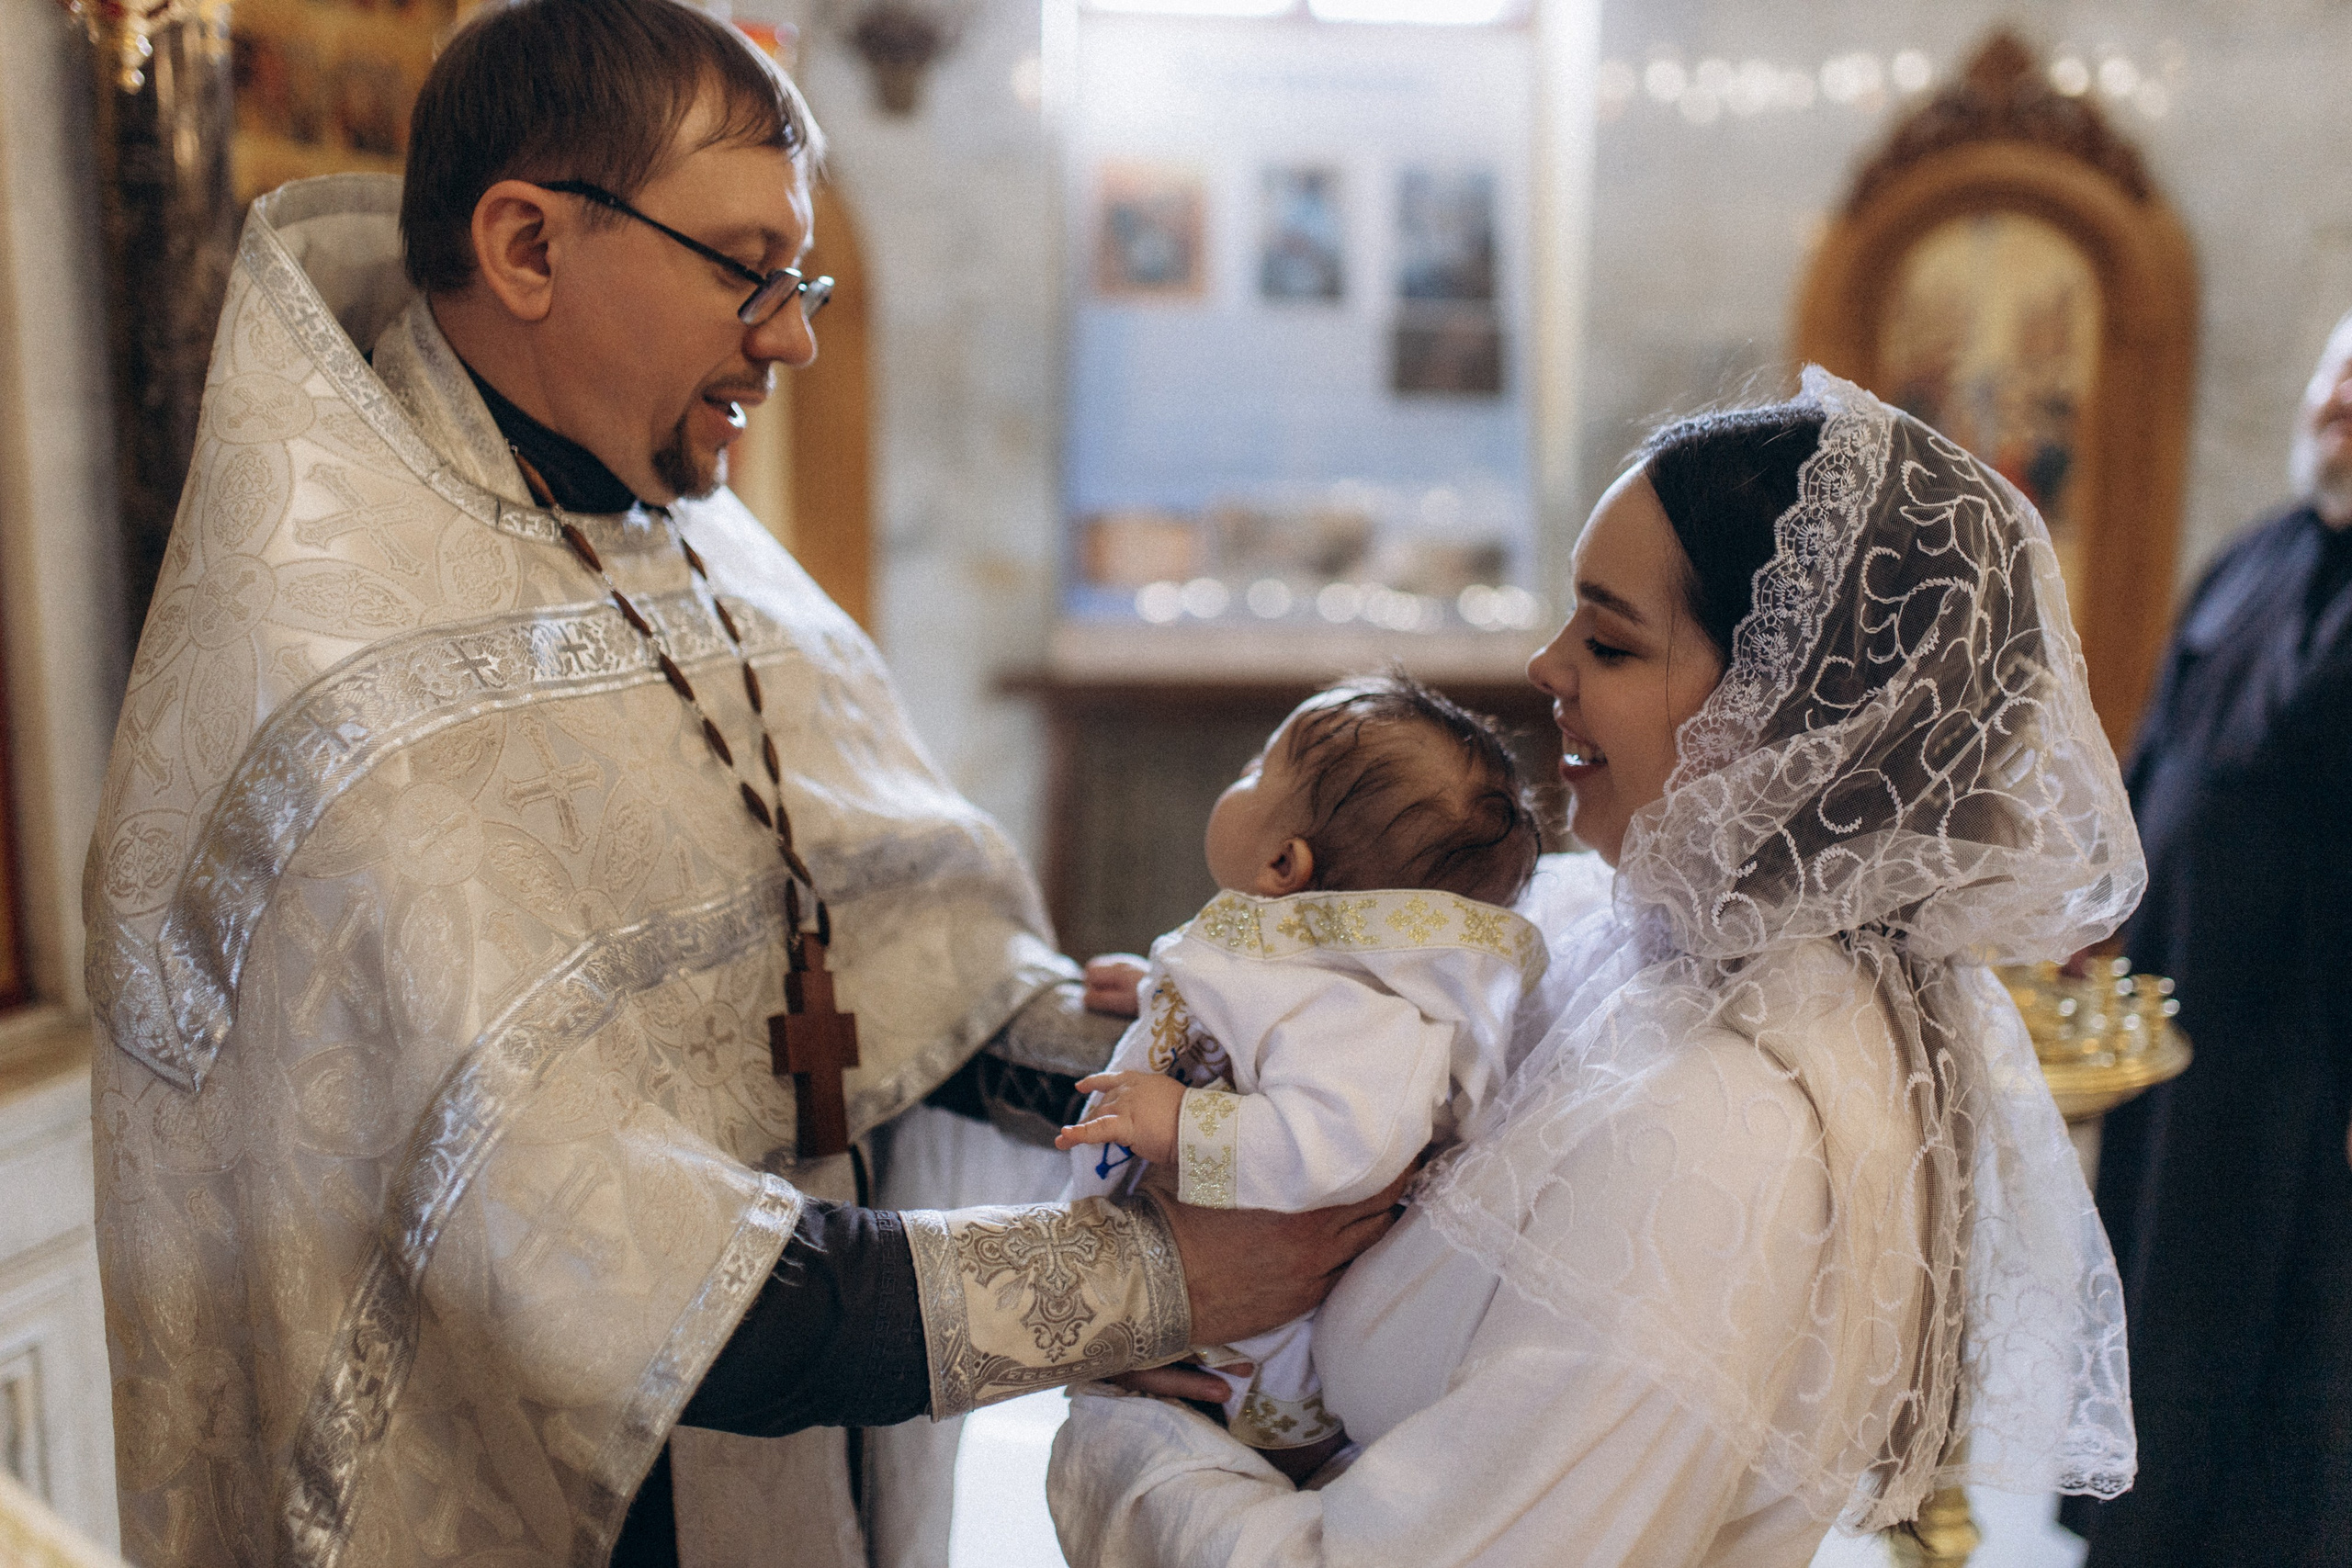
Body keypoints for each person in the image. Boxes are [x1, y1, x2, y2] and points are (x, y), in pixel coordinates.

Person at [82, 4, 1398, 1566]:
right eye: (744, 266)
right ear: (526, 246)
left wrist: (1202, 1067)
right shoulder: (344, 691)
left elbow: (915, 983)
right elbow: (607, 1269)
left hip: (803, 1459)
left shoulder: (699, 553)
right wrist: (1156, 1281)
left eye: (807, 276)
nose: (792, 337)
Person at [1046, 369, 2145, 1566]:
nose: (1545, 663)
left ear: (1786, 716)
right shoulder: (1623, 927)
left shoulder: (1722, 1127)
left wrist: (1122, 1419)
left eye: (1610, 638)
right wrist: (1234, 1015)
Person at [1057, 675, 1544, 1479]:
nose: (1240, 776)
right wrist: (1162, 988)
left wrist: (1186, 1123)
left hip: (1255, 1344)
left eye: (1256, 769)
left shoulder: (1366, 1014)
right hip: (1177, 1266)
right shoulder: (1310, 970)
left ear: (1285, 863)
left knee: (1198, 1471)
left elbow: (1346, 1137)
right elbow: (1258, 1021)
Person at [2062, 314, 2352, 1565]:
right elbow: (2162, 751)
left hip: (2308, 1043)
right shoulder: (2257, 552)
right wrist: (2092, 903)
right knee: (2164, 1287)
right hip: (2185, 1021)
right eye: (2338, 373)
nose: (2343, 400)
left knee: (2283, 1336)